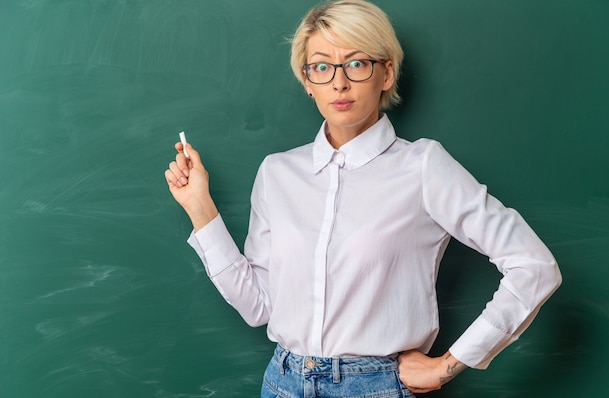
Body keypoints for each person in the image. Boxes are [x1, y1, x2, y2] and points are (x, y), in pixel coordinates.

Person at [164, 0, 562, 396]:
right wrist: (200, 208)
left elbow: (535, 266)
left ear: (386, 72)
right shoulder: (277, 172)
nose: (339, 83)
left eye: (356, 63)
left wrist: (448, 365)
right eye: (321, 66)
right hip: (282, 382)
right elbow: (259, 308)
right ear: (307, 80)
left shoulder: (422, 166)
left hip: (375, 386)